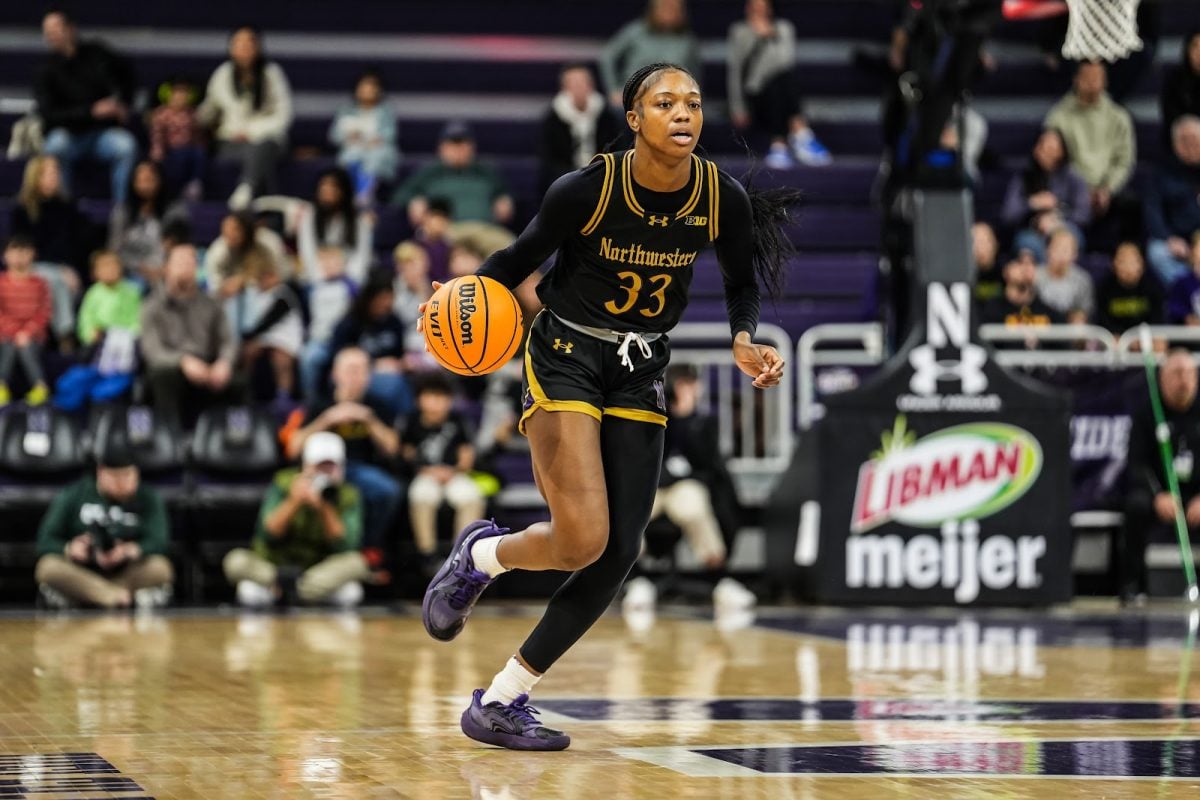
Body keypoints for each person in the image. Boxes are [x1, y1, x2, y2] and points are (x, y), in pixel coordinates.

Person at [418, 62, 790, 750]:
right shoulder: (588, 187)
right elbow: (517, 258)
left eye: (694, 103)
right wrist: (455, 297)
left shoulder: (720, 197)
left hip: (641, 362)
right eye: (665, 102)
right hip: (564, 352)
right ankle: (481, 555)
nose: (683, 113)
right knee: (583, 536)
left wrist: (743, 336)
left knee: (617, 551)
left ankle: (500, 696)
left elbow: (741, 280)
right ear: (634, 119)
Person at [223, 431, 370, 608]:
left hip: (319, 570)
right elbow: (268, 534)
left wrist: (324, 507)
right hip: (277, 566)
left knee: (357, 567)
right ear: (305, 466)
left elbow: (346, 545)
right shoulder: (284, 483)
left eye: (330, 467)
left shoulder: (349, 495)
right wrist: (294, 501)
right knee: (236, 561)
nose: (324, 473)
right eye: (319, 466)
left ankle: (287, 591)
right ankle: (297, 591)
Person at [34, 434, 173, 610]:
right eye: (116, 477)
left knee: (161, 568)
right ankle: (115, 597)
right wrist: (70, 548)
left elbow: (160, 542)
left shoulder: (149, 498)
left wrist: (130, 550)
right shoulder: (74, 494)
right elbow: (45, 541)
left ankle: (90, 597)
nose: (123, 483)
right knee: (47, 567)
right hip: (83, 570)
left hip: (126, 571)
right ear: (100, 473)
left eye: (128, 475)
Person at [287, 347, 402, 551]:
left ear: (369, 376)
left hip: (360, 469)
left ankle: (369, 549)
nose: (355, 377)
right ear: (335, 374)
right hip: (322, 469)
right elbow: (294, 448)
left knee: (388, 490)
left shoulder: (377, 406)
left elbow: (393, 449)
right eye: (350, 370)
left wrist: (369, 420)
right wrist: (327, 419)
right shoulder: (320, 404)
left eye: (361, 371)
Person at [1122, 349, 1200, 604]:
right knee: (1136, 506)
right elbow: (1136, 464)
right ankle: (1133, 585)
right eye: (1177, 373)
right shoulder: (1148, 413)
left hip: (1195, 492)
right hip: (1159, 490)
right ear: (1162, 379)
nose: (1184, 380)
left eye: (1190, 373)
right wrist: (1158, 496)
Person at [35, 10, 137, 203]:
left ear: (70, 29)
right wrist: (91, 112)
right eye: (47, 32)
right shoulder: (46, 71)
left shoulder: (96, 54)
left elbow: (127, 72)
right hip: (69, 135)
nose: (51, 36)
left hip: (100, 135)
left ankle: (120, 211)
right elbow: (49, 114)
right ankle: (61, 206)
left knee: (126, 146)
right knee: (55, 145)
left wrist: (123, 103)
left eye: (55, 29)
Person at [140, 243, 239, 427]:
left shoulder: (212, 303)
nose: (186, 267)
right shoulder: (152, 306)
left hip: (208, 365)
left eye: (191, 262)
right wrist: (183, 361)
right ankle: (169, 439)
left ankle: (233, 440)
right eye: (180, 262)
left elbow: (228, 341)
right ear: (166, 268)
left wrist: (224, 362)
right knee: (163, 374)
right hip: (172, 366)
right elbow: (152, 352)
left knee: (239, 378)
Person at [726, 0, 832, 168]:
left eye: (763, 7)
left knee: (781, 81)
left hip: (779, 90)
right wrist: (737, 108)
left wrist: (769, 36)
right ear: (747, 8)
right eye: (754, 7)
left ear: (770, 8)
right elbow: (736, 71)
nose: (758, 11)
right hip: (755, 95)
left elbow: (785, 62)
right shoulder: (739, 32)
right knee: (780, 83)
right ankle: (802, 134)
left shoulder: (784, 28)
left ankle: (779, 145)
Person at [197, 26, 293, 209]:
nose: (244, 48)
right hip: (231, 142)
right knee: (259, 159)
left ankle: (247, 189)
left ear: (258, 47)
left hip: (267, 139)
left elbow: (284, 115)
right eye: (239, 43)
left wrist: (252, 132)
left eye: (249, 43)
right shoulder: (222, 74)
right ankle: (265, 207)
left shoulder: (272, 74)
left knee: (261, 150)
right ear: (231, 48)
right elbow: (209, 110)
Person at [400, 373, 484, 567]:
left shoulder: (459, 421)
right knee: (421, 495)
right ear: (419, 399)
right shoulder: (411, 422)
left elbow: (467, 455)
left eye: (441, 397)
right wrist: (428, 471)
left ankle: (461, 556)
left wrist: (453, 471)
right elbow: (406, 456)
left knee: (471, 496)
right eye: (430, 396)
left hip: (454, 475)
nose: (436, 403)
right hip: (425, 475)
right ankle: (427, 554)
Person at [1043, 62, 1136, 226]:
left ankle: (1126, 251)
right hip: (1069, 190)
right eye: (1087, 77)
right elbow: (1050, 159)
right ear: (1076, 80)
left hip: (1107, 189)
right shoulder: (1058, 116)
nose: (1093, 82)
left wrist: (1107, 189)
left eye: (1098, 77)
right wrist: (1080, 190)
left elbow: (1124, 161)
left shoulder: (1119, 117)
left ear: (1105, 81)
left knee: (1132, 206)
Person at [9, 155, 88, 340]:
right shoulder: (21, 209)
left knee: (68, 283)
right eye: (47, 173)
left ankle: (51, 335)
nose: (53, 176)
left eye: (55, 172)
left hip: (64, 267)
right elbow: (22, 247)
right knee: (54, 281)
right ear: (35, 176)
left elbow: (75, 245)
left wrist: (72, 269)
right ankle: (65, 333)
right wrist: (60, 268)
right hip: (32, 266)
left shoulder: (68, 207)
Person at [56, 250, 140, 412]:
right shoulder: (92, 294)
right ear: (95, 272)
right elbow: (85, 323)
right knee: (69, 384)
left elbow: (138, 322)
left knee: (106, 391)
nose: (109, 269)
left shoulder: (132, 292)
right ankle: (70, 426)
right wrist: (92, 334)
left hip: (124, 355)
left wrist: (121, 335)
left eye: (113, 265)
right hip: (96, 352)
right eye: (104, 266)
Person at [390, 122, 514, 227]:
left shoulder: (485, 171)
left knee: (512, 250)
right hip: (446, 233)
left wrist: (504, 199)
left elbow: (505, 193)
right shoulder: (429, 172)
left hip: (484, 230)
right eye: (452, 145)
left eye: (462, 144)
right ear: (441, 148)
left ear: (472, 148)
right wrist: (414, 200)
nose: (458, 150)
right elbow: (400, 197)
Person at [1001, 128, 1091, 262]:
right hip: (1031, 231)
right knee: (1027, 246)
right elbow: (1008, 215)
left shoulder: (1074, 178)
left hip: (1065, 228)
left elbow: (1084, 214)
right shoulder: (1024, 178)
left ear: (1063, 151)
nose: (1049, 153)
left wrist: (1057, 221)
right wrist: (1032, 203)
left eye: (1054, 148)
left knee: (1065, 242)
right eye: (1044, 147)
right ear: (1036, 150)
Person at [329, 277, 413, 418]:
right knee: (395, 383)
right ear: (370, 298)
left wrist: (403, 363)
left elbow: (399, 353)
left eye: (389, 298)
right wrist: (374, 364)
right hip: (356, 371)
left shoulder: (394, 322)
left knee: (402, 380)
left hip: (390, 370)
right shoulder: (351, 322)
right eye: (381, 298)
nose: (385, 303)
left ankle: (405, 421)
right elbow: (338, 355)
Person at [538, 64, 621, 195]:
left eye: (582, 83)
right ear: (564, 88)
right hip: (565, 182)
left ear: (591, 85)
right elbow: (550, 161)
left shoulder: (606, 116)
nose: (578, 88)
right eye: (573, 84)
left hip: (602, 178)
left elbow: (616, 152)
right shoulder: (553, 119)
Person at [598, 0, 700, 107]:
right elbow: (608, 56)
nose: (670, 12)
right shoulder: (635, 32)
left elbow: (695, 76)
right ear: (654, 9)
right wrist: (613, 90)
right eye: (665, 7)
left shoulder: (688, 42)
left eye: (675, 9)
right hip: (636, 97)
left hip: (672, 100)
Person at [107, 159, 189, 287]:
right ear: (133, 182)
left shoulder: (175, 211)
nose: (145, 185)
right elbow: (115, 251)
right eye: (141, 180)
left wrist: (166, 268)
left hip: (167, 270)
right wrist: (142, 269)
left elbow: (182, 247)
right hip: (131, 273)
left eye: (150, 179)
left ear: (160, 180)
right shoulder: (122, 213)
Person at [239, 251, 303, 407]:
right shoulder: (255, 295)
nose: (263, 281)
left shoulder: (284, 293)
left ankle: (284, 397)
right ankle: (246, 394)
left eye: (267, 277)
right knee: (248, 352)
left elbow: (270, 320)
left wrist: (250, 335)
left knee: (280, 357)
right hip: (263, 338)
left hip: (285, 336)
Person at [329, 69, 400, 205]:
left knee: (375, 156)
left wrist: (376, 140)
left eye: (372, 87)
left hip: (377, 150)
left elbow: (390, 135)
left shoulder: (386, 110)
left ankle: (364, 195)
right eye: (364, 87)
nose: (367, 91)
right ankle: (349, 192)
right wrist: (348, 137)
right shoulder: (346, 109)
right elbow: (334, 136)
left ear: (379, 90)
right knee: (351, 154)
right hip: (353, 149)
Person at [298, 246, 358, 406]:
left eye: (333, 261)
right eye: (325, 262)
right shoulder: (312, 288)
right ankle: (310, 402)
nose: (329, 265)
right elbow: (306, 316)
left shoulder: (351, 286)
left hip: (342, 340)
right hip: (318, 339)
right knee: (308, 359)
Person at [1144, 116, 1200, 286]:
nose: (1190, 145)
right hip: (1178, 239)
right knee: (1157, 252)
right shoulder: (1161, 173)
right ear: (1175, 144)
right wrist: (1168, 238)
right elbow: (1152, 211)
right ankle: (1186, 291)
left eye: (1195, 140)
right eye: (1184, 140)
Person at [297, 168, 374, 284]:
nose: (326, 190)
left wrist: (347, 281)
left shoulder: (359, 220)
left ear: (343, 191)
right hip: (317, 278)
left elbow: (361, 257)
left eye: (333, 187)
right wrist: (321, 277)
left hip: (350, 280)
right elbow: (307, 252)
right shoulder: (309, 216)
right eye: (323, 186)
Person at [0, 235, 52, 406]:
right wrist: (15, 332)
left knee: (26, 347)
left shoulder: (41, 283)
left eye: (24, 251)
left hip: (33, 336)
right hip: (5, 334)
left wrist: (27, 332)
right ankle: (1, 386)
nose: (19, 256)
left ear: (33, 254)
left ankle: (40, 387)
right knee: (8, 346)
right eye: (15, 251)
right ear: (5, 256)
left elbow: (44, 312)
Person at [979, 253, 1063, 347]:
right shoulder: (992, 310)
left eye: (1032, 263)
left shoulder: (1049, 313)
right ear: (1006, 271)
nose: (1026, 267)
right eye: (1020, 262)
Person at [149, 76, 207, 201]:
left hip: (191, 149)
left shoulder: (193, 114)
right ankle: (176, 191)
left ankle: (194, 184)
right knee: (179, 158)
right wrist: (157, 153)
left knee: (200, 153)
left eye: (184, 93)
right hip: (172, 151)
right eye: (177, 93)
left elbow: (198, 135)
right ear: (167, 95)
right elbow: (157, 135)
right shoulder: (161, 114)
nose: (180, 97)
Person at [1095, 242, 1164, 335]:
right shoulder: (1104, 288)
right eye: (1123, 261)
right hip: (1115, 340)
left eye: (1132, 262)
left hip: (1146, 338)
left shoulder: (1154, 285)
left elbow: (1158, 320)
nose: (1128, 267)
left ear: (1142, 264)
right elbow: (1102, 321)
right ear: (1114, 264)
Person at [1034, 227, 1094, 324]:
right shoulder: (1035, 276)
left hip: (1070, 330)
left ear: (1075, 254)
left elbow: (1084, 312)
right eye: (1057, 248)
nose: (1061, 254)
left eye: (1066, 249)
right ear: (1047, 250)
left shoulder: (1082, 279)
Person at [1160, 30, 1200, 150]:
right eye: (1195, 46)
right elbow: (1170, 114)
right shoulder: (1175, 78)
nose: (1199, 53)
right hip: (1182, 140)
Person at [1166, 233, 1200, 325]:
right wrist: (1187, 317)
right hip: (1190, 335)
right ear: (1192, 251)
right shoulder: (1182, 282)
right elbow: (1174, 308)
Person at [972, 221, 1003, 308]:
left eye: (984, 241)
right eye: (975, 242)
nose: (980, 248)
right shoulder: (962, 277)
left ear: (996, 244)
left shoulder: (1005, 274)